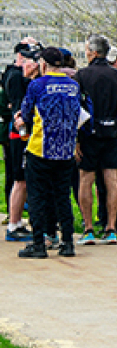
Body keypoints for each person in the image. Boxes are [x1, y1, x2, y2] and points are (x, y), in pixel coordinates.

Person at [15, 47, 80, 258]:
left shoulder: (37, 85)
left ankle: (38, 244)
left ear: (43, 64)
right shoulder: (73, 86)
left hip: (41, 149)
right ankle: (67, 242)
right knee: (63, 197)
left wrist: (18, 120)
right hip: (65, 150)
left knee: (37, 197)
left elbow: (25, 113)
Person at [74, 34, 117, 246]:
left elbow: (76, 108)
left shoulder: (81, 75)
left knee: (86, 180)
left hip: (88, 134)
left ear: (93, 52)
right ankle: (111, 228)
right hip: (111, 132)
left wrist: (76, 138)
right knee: (112, 180)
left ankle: (89, 227)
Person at [3, 40, 40, 241]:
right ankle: (14, 224)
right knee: (20, 180)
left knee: (23, 180)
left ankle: (16, 222)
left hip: (23, 131)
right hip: (21, 133)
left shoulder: (19, 76)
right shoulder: (16, 76)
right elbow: (19, 106)